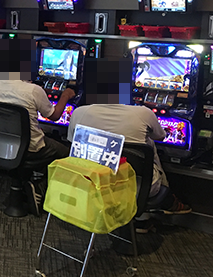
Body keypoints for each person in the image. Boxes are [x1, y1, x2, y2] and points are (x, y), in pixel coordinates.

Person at [67, 57, 191, 222]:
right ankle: (154, 209)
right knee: (149, 144)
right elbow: (161, 136)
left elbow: (72, 145)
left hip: (89, 182)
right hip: (136, 186)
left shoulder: (78, 113)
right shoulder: (143, 113)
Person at [0, 39, 74, 199]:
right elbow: (54, 116)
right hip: (31, 148)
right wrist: (66, 95)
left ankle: (29, 182)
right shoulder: (33, 90)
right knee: (67, 152)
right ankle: (42, 188)